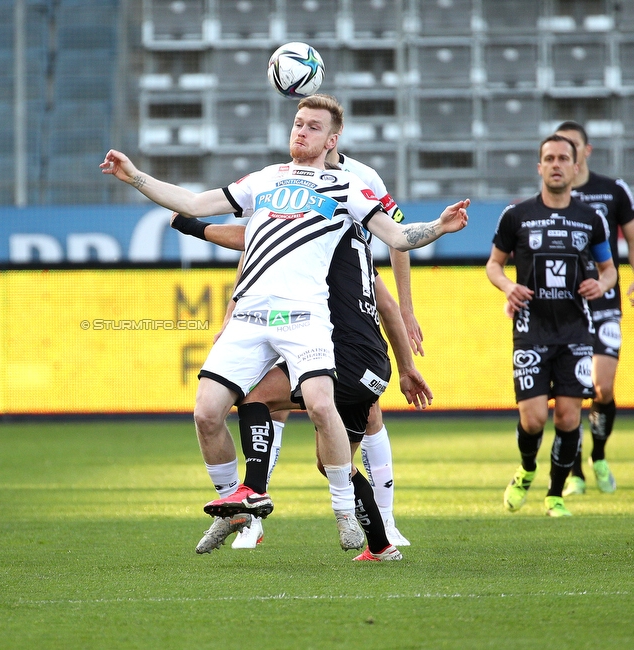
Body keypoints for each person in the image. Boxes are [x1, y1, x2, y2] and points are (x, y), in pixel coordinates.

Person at [101, 94, 469, 551]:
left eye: (314, 127)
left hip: (303, 316)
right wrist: (135, 177)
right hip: (252, 315)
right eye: (298, 123)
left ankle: (343, 513)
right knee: (206, 413)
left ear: (332, 140)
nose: (302, 131)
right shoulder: (266, 178)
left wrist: (439, 226)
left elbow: (398, 236)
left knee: (319, 404)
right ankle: (235, 505)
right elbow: (195, 204)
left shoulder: (349, 188)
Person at [176, 146, 427, 554]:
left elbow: (249, 238)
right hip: (370, 364)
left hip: (348, 358)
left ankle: (253, 500)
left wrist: (194, 227)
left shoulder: (322, 243)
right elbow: (389, 308)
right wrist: (405, 368)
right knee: (329, 459)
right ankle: (382, 542)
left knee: (259, 397)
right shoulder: (356, 252)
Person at [486, 134, 616, 518]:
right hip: (531, 330)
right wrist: (510, 286)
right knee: (534, 418)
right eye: (549, 158)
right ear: (539, 166)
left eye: (563, 158)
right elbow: (494, 265)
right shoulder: (516, 215)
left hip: (576, 333)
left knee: (568, 417)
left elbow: (609, 270)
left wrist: (602, 283)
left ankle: (555, 495)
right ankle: (527, 470)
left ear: (576, 168)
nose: (556, 164)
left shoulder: (591, 219)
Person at [553, 121, 634, 496]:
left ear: (585, 152)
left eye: (571, 147)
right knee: (571, 391)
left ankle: (598, 456)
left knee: (601, 388)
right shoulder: (551, 196)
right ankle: (575, 474)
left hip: (604, 302)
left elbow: (631, 238)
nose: (563, 156)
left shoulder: (612, 191)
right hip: (565, 307)